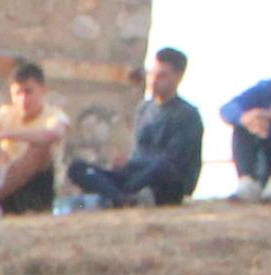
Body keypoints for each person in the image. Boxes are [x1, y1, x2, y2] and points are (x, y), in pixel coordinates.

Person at [68, 45, 202, 209]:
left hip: (167, 182)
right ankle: (123, 198)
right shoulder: (143, 109)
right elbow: (140, 151)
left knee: (162, 167)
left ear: (178, 77)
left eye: (162, 76)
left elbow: (173, 161)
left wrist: (135, 164)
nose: (154, 81)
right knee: (78, 168)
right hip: (137, 175)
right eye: (152, 74)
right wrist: (126, 164)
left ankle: (118, 195)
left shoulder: (188, 115)